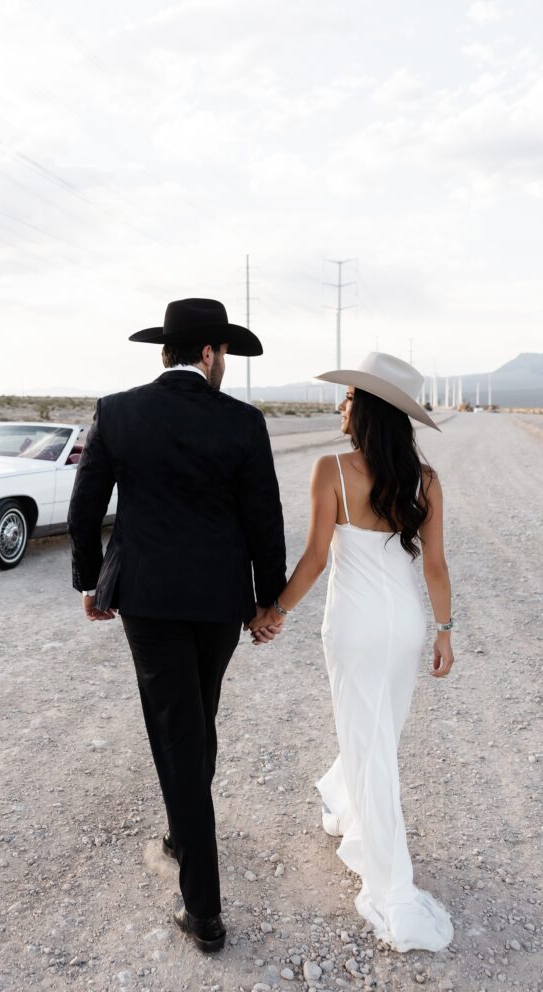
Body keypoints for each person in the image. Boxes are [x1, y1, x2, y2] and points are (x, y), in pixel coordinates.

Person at [68, 298, 286, 953]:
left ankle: (204, 909)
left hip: (148, 599)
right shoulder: (243, 422)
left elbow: (85, 508)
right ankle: (180, 831)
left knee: (177, 729)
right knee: (196, 718)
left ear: (168, 350)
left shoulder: (117, 410)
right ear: (210, 353)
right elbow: (264, 520)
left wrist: (88, 579)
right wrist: (266, 599)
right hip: (219, 600)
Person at [250, 352, 454, 953]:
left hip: (355, 628)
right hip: (407, 626)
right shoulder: (426, 478)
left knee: (371, 742)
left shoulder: (332, 470)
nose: (342, 405)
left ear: (366, 410)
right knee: (378, 737)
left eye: (349, 398)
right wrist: (445, 630)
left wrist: (275, 613)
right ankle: (353, 809)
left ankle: (393, 882)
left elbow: (315, 559)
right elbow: (436, 565)